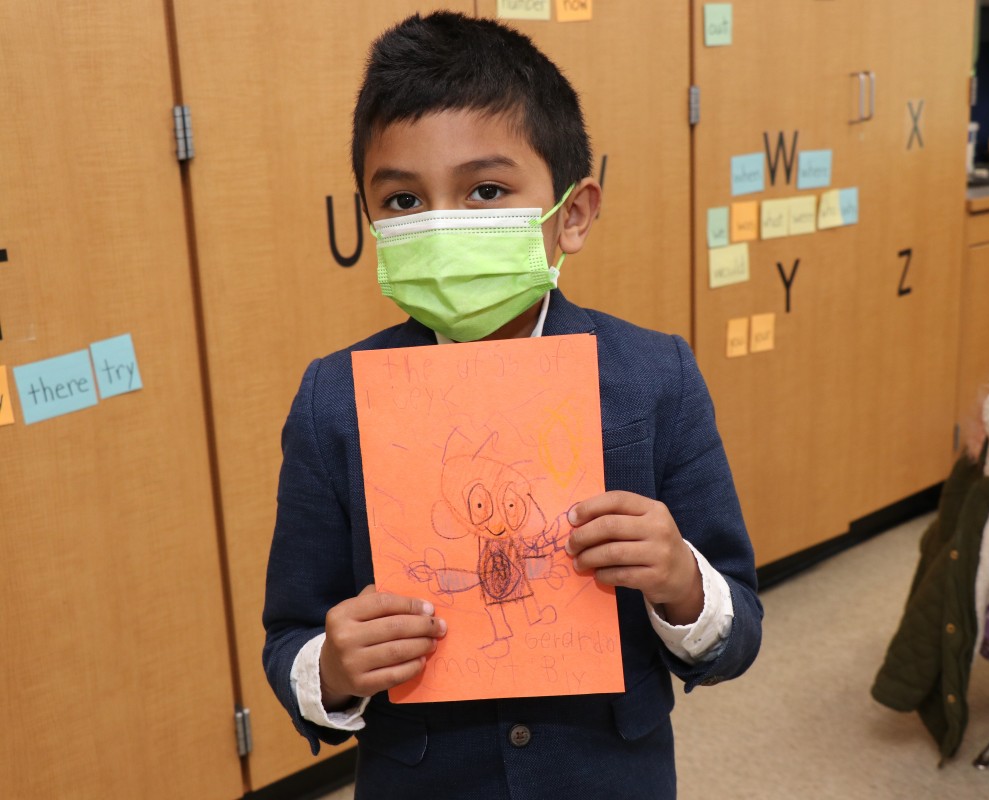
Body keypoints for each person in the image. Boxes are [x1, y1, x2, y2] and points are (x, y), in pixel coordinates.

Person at [261, 12, 763, 799]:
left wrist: (682, 581)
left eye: (485, 190)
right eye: (401, 201)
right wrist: (329, 667)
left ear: (572, 212)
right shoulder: (335, 398)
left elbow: (738, 634)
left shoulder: (654, 376)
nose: (442, 223)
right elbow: (288, 632)